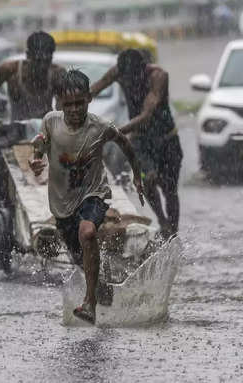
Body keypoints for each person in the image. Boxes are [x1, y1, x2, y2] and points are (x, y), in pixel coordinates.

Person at [29, 70, 144, 324]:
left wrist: (137, 175)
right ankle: (100, 289)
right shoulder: (51, 121)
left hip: (94, 194)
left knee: (88, 232)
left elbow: (125, 144)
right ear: (59, 102)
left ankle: (89, 303)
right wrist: (36, 159)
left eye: (79, 103)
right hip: (62, 204)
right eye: (67, 104)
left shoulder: (100, 127)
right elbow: (39, 141)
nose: (73, 110)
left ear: (89, 99)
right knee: (81, 258)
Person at [90, 49, 183, 239]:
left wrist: (116, 133)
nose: (130, 82)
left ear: (143, 69)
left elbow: (146, 115)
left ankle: (173, 232)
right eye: (127, 79)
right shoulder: (118, 72)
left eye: (133, 78)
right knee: (146, 181)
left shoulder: (158, 77)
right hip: (141, 141)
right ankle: (162, 222)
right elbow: (94, 89)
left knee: (169, 190)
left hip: (166, 140)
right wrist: (72, 104)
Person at [0, 31, 66, 126]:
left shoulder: (57, 73)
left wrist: (60, 119)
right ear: (28, 55)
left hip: (47, 132)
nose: (43, 66)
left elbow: (62, 105)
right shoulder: (10, 70)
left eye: (47, 61)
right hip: (17, 134)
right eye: (38, 61)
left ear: (51, 57)